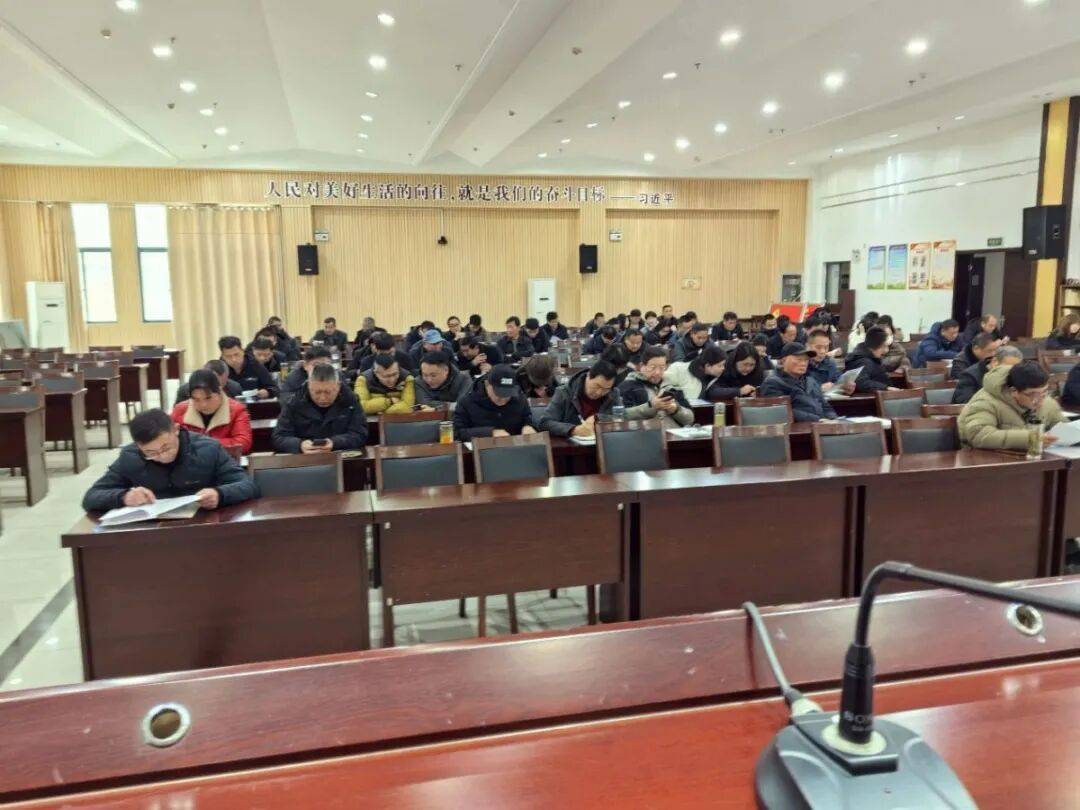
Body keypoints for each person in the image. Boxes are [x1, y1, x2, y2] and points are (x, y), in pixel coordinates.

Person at [82, 408, 258, 512]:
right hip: (153, 534)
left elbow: (248, 485)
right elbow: (91, 497)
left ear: (176, 430)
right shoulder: (130, 456)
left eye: (166, 447)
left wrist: (220, 494)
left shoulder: (208, 448)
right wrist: (124, 497)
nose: (162, 456)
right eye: (150, 453)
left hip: (204, 526)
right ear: (138, 446)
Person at [958, 362, 1063, 450]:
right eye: (1032, 394)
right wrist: (1029, 439)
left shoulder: (1045, 400)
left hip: (1030, 458)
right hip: (986, 459)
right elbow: (979, 435)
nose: (1040, 401)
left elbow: (1063, 426)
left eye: (1044, 392)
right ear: (1014, 391)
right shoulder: (985, 402)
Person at [272, 363, 368, 453]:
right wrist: (300, 445)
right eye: (317, 392)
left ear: (338, 386)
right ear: (309, 385)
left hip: (342, 457)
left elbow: (359, 434)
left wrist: (335, 443)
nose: (322, 398)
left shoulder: (350, 401)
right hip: (305, 459)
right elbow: (279, 437)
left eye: (328, 392)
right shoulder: (294, 403)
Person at [170, 369, 253, 455]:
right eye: (196, 399)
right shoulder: (180, 410)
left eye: (208, 398)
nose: (203, 405)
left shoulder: (237, 410)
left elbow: (243, 443)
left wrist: (204, 443)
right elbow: (169, 439)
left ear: (219, 391)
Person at [452, 364, 538, 439]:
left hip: (515, 447)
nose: (503, 399)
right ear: (487, 384)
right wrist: (489, 433)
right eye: (499, 395)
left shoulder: (519, 398)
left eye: (507, 395)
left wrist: (528, 426)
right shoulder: (467, 402)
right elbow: (457, 432)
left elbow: (528, 418)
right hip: (481, 449)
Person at [540, 360, 621, 438]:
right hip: (571, 445)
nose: (599, 392)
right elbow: (545, 423)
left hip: (605, 443)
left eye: (606, 389)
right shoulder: (564, 393)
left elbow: (620, 419)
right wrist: (574, 430)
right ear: (588, 376)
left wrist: (599, 418)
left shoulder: (613, 394)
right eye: (597, 386)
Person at [759, 343, 838, 422]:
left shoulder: (811, 381)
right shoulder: (773, 383)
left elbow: (825, 406)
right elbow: (782, 411)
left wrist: (833, 419)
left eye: (806, 360)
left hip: (822, 424)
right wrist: (818, 420)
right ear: (783, 361)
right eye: (799, 359)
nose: (803, 363)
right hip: (798, 427)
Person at [619, 346, 694, 428]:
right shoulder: (628, 386)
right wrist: (651, 406)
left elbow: (690, 420)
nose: (657, 372)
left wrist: (675, 410)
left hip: (673, 434)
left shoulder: (671, 387)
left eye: (662, 368)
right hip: (645, 434)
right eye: (653, 367)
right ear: (642, 366)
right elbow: (621, 416)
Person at [953, 345, 1023, 405]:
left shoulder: (1014, 375)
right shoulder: (970, 375)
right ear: (995, 362)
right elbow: (965, 402)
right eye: (1007, 368)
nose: (1010, 372)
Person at [663, 343, 731, 402]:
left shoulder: (718, 377)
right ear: (708, 366)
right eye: (720, 366)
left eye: (724, 365)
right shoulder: (678, 368)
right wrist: (679, 395)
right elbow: (664, 388)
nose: (723, 368)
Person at [845, 326, 900, 393]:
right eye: (884, 346)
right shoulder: (863, 361)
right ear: (879, 346)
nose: (886, 351)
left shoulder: (870, 357)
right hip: (874, 397)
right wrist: (886, 388)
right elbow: (861, 382)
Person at [175, 359, 243, 404]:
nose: (218, 389)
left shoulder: (235, 388)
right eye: (214, 384)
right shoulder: (185, 391)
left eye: (222, 384)